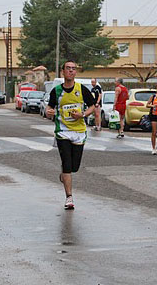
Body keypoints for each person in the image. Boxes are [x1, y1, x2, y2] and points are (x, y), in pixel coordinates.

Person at [46, 60, 95, 210]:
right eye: (68, 68)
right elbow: (50, 107)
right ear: (63, 72)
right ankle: (69, 197)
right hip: (63, 132)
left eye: (73, 69)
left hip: (79, 132)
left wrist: (83, 114)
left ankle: (63, 176)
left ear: (76, 72)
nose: (71, 71)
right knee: (66, 164)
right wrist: (49, 112)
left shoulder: (82, 89)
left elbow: (92, 106)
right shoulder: (57, 91)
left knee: (75, 167)